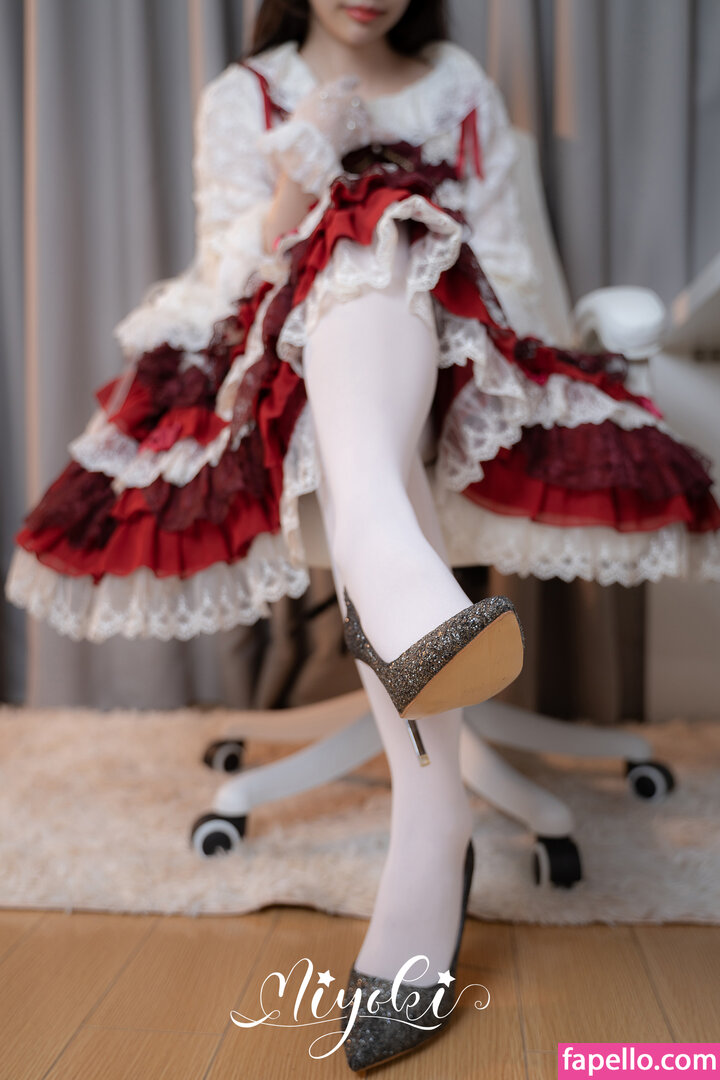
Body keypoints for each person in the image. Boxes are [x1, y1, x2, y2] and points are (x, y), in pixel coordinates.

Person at [6, 0, 720, 1070]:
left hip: (456, 358)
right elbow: (220, 280)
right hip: (283, 370)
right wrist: (301, 183)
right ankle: (432, 802)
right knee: (353, 299)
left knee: (385, 229)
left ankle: (424, 779)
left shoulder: (457, 84)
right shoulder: (247, 97)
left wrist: (405, 234)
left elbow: (516, 275)